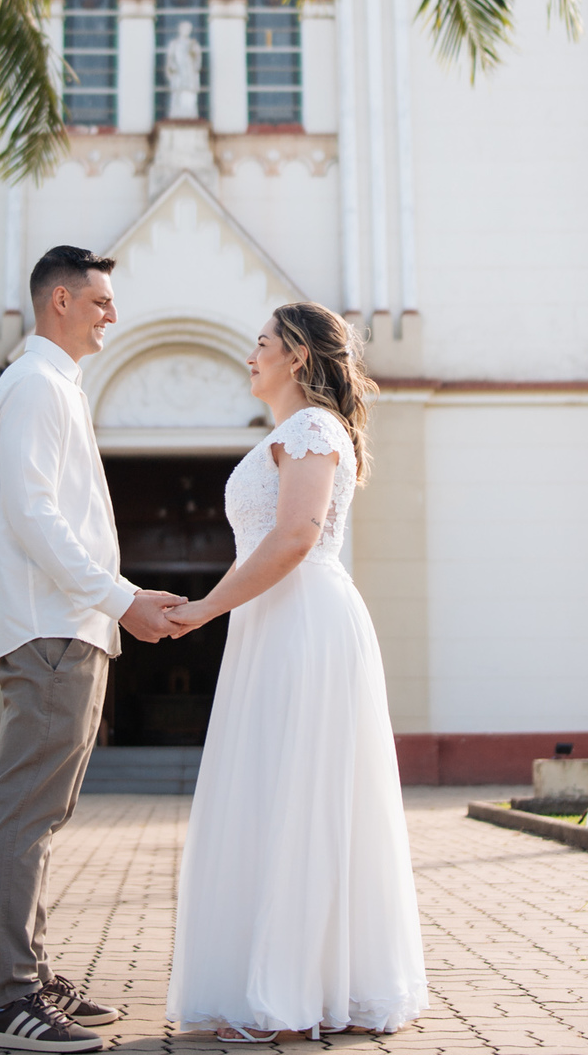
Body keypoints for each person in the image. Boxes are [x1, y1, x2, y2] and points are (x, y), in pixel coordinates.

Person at [164, 303, 427, 1040]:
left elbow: (295, 540)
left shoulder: (312, 429)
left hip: (304, 622)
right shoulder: (286, 434)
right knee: (269, 793)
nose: (250, 355)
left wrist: (208, 609)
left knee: (297, 795)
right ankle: (277, 984)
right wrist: (210, 608)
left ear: (299, 359)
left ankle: (289, 997)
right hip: (270, 624)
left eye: (261, 344)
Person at [0, 245, 184, 1053]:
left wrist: (114, 601)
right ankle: (9, 1001)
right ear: (58, 301)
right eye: (100, 302)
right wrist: (123, 599)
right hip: (51, 629)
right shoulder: (33, 385)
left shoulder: (54, 386)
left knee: (41, 814)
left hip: (71, 626)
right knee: (25, 813)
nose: (113, 315)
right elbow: (35, 516)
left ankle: (27, 971)